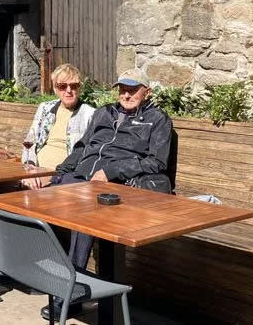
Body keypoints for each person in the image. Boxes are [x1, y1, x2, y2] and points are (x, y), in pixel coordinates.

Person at [40, 68, 173, 321]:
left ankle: (72, 295)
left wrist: (111, 171)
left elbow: (157, 162)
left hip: (114, 187)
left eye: (133, 90)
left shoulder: (157, 119)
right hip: (80, 178)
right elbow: (81, 148)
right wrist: (58, 174)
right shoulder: (104, 113)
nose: (126, 94)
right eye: (122, 89)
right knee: (27, 206)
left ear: (147, 92)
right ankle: (30, 273)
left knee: (83, 214)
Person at [21, 63, 95, 189]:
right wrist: (30, 168)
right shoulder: (45, 108)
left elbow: (88, 154)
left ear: (79, 88)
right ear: (55, 89)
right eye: (62, 86)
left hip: (62, 176)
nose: (68, 91)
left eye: (73, 86)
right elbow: (30, 142)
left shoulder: (90, 114)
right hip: (35, 169)